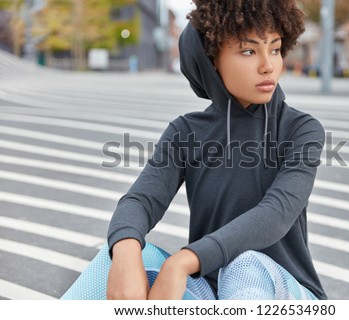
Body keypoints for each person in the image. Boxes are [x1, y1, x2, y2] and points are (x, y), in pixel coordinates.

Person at [61, 0, 327, 300]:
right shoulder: (186, 132)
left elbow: (276, 213)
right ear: (211, 60)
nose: (268, 65)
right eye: (249, 50)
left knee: (245, 264)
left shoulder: (301, 130)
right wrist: (124, 250)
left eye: (275, 49)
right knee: (118, 256)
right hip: (209, 289)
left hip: (287, 290)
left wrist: (184, 261)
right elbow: (141, 200)